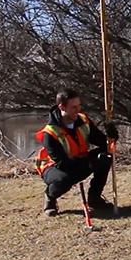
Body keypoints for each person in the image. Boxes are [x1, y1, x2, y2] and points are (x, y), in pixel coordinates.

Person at [35, 89, 119, 217]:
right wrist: (90, 163)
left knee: (105, 155)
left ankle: (94, 198)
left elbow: (103, 143)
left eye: (79, 106)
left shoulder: (83, 120)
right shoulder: (50, 133)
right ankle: (50, 197)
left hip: (79, 160)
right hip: (53, 167)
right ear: (62, 107)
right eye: (74, 107)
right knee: (64, 179)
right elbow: (63, 164)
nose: (78, 110)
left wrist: (112, 136)